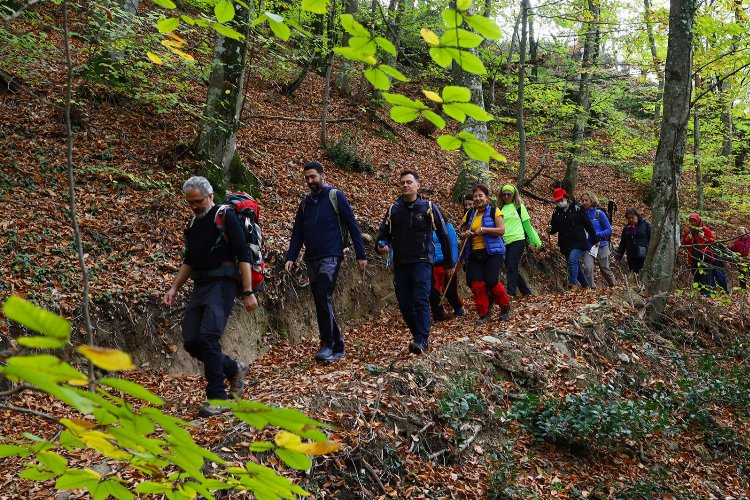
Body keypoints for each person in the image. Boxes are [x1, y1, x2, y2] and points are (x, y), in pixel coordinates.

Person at [164, 176, 259, 417]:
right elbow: (189, 260)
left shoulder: (225, 216)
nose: (194, 206)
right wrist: (174, 288)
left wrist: (248, 292)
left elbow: (243, 255)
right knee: (191, 341)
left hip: (223, 284)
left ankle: (217, 398)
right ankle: (234, 368)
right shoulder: (193, 224)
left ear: (210, 196)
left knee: (208, 337)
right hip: (201, 285)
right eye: (190, 202)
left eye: (198, 201)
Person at [285, 160, 368, 363]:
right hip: (311, 257)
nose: (310, 181)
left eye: (313, 176)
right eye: (307, 178)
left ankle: (327, 343)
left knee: (323, 295)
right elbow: (298, 233)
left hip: (332, 255)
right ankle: (337, 343)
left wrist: (361, 254)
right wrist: (291, 257)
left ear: (323, 175)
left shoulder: (335, 196)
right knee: (321, 299)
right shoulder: (305, 203)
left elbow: (352, 224)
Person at [376, 169, 455, 354]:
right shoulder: (393, 210)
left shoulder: (428, 206)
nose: (405, 185)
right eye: (402, 182)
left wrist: (449, 262)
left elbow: (444, 235)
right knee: (404, 303)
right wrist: (381, 246)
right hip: (401, 263)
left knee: (420, 299)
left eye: (409, 182)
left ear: (417, 185)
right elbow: (383, 235)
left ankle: (421, 340)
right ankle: (418, 335)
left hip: (422, 261)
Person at [460, 184, 512, 323]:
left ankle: (505, 307)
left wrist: (484, 229)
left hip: (493, 252)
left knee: (492, 281)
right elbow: (462, 233)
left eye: (480, 196)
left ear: (486, 198)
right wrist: (466, 234)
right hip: (474, 253)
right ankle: (484, 314)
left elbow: (501, 230)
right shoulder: (469, 214)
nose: (477, 199)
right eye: (475, 196)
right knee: (476, 284)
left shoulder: (494, 211)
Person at [498, 184, 541, 297]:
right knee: (509, 266)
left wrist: (532, 242)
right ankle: (526, 291)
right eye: (504, 194)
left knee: (512, 265)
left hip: (518, 239)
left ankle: (510, 293)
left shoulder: (519, 208)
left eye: (509, 194)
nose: (506, 197)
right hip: (504, 241)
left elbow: (527, 226)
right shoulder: (499, 209)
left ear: (513, 195)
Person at [549, 188, 597, 288]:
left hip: (578, 241)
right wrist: (550, 230)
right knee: (574, 264)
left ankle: (573, 284)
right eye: (557, 201)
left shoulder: (578, 208)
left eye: (560, 199)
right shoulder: (556, 212)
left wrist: (595, 239)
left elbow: (588, 225)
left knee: (572, 260)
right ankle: (585, 285)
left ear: (566, 197)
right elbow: (554, 228)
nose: (559, 202)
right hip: (565, 243)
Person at [580, 191, 618, 288]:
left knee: (605, 268)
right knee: (588, 268)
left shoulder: (599, 213)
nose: (584, 202)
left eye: (586, 200)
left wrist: (596, 235)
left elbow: (609, 229)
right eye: (582, 200)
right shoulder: (581, 214)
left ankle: (614, 287)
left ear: (592, 200)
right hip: (587, 246)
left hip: (601, 245)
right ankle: (591, 290)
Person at [429, 221, 464, 322]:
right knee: (433, 292)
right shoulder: (426, 228)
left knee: (450, 291)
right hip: (432, 265)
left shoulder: (447, 227)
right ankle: (438, 316)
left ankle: (457, 307)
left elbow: (453, 244)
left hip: (447, 264)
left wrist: (452, 263)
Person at [681, 213, 721, 295]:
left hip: (705, 257)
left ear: (698, 221)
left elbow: (713, 242)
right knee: (697, 276)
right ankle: (700, 294)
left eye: (694, 221)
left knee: (707, 276)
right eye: (691, 221)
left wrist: (704, 237)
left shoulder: (705, 230)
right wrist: (687, 239)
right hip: (693, 258)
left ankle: (708, 294)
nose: (693, 223)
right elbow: (683, 245)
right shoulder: (688, 231)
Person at [613, 208, 651, 275]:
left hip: (643, 253)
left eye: (632, 217)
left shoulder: (645, 225)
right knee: (633, 272)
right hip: (631, 255)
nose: (630, 220)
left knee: (642, 271)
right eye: (628, 218)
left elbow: (651, 239)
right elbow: (623, 243)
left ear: (637, 216)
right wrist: (619, 254)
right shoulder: (626, 229)